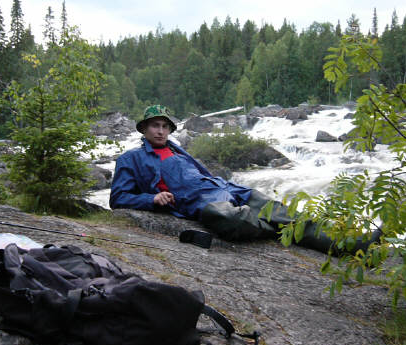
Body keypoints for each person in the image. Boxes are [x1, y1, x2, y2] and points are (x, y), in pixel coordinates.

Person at [110, 105, 381, 253]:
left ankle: (349, 243)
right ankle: (279, 229)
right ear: (143, 128)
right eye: (154, 126)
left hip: (224, 187)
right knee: (231, 220)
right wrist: (153, 198)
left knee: (283, 211)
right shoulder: (130, 159)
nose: (160, 131)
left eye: (164, 126)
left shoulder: (179, 149)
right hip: (198, 203)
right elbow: (118, 199)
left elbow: (201, 174)